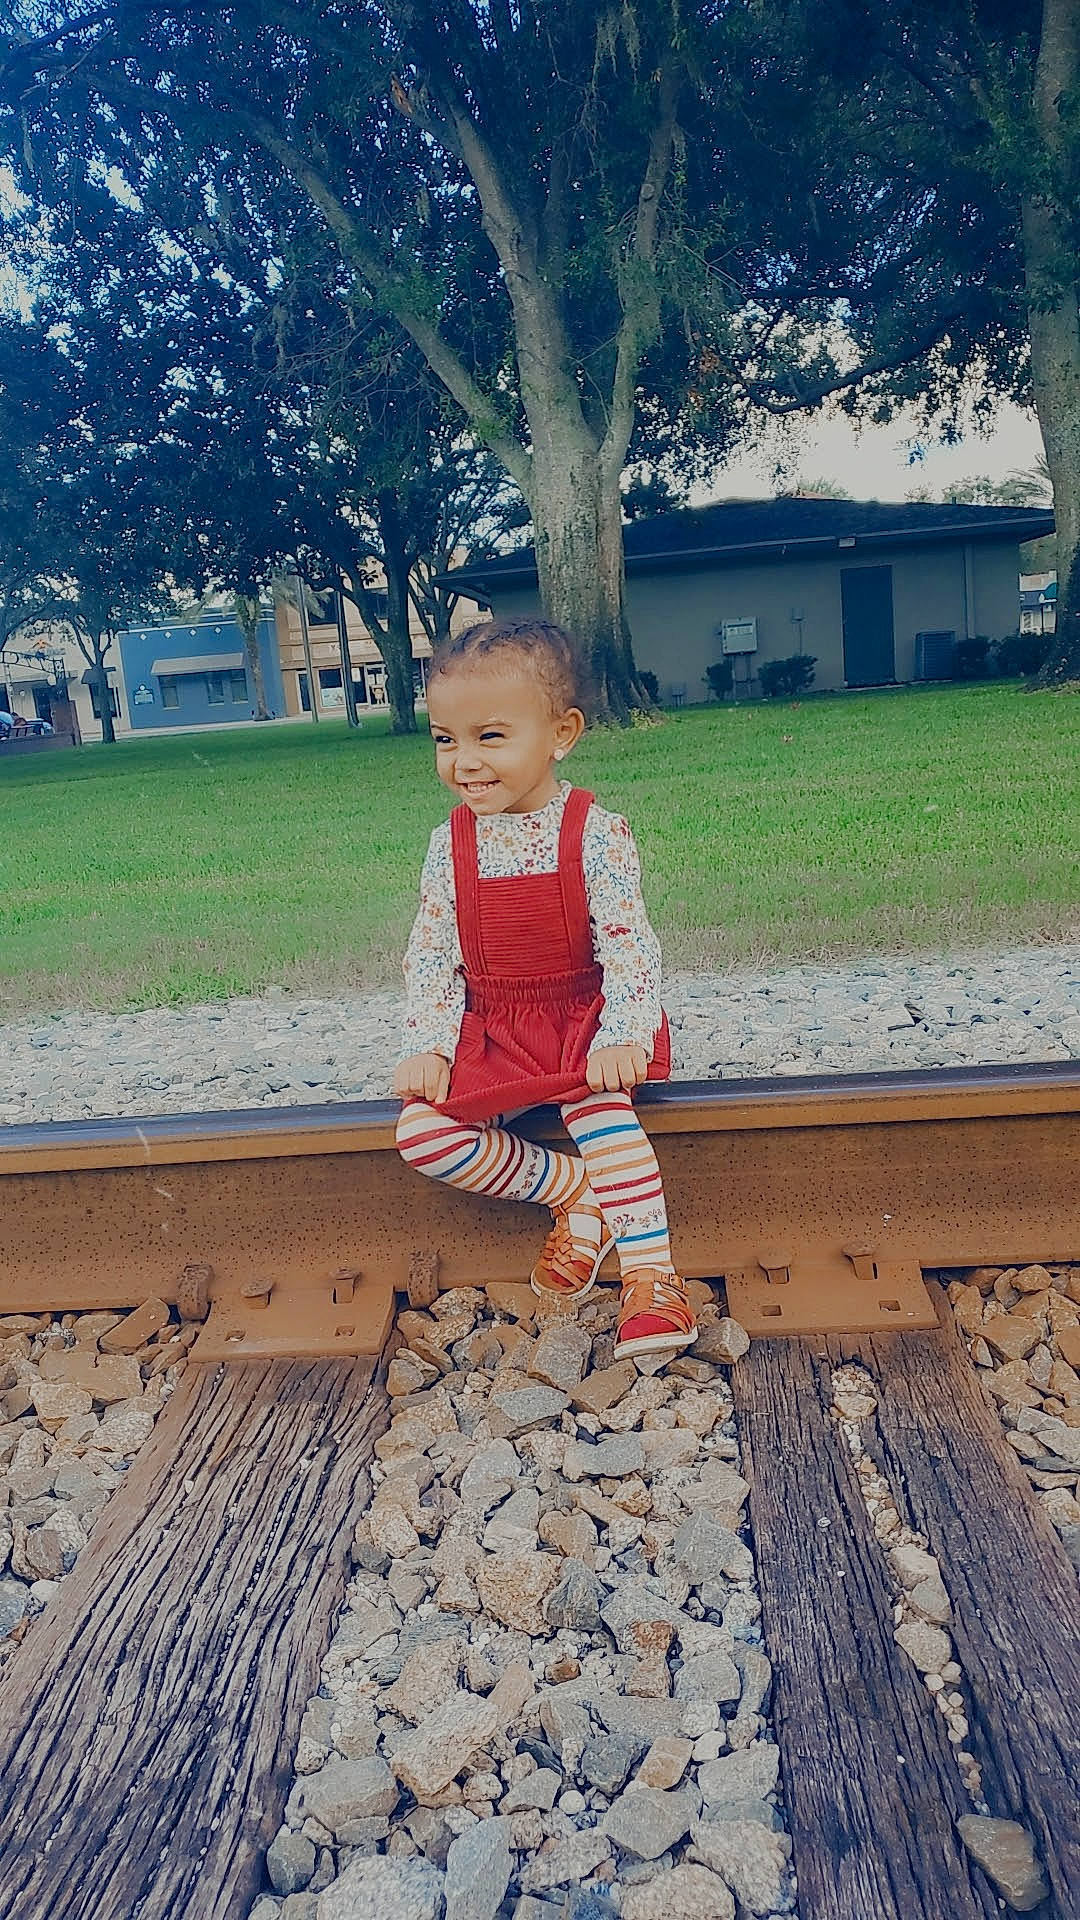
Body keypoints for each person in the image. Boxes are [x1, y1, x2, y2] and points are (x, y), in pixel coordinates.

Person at [391, 615, 696, 1361]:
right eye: (445, 739)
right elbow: (433, 954)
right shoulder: (449, 844)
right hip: (496, 1026)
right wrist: (430, 1044)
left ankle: (654, 1282)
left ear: (561, 734)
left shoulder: (594, 831)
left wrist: (625, 1031)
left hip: (580, 1022)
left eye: (490, 737)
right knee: (420, 1134)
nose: (464, 762)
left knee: (603, 1116)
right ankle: (571, 1191)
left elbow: (628, 942)